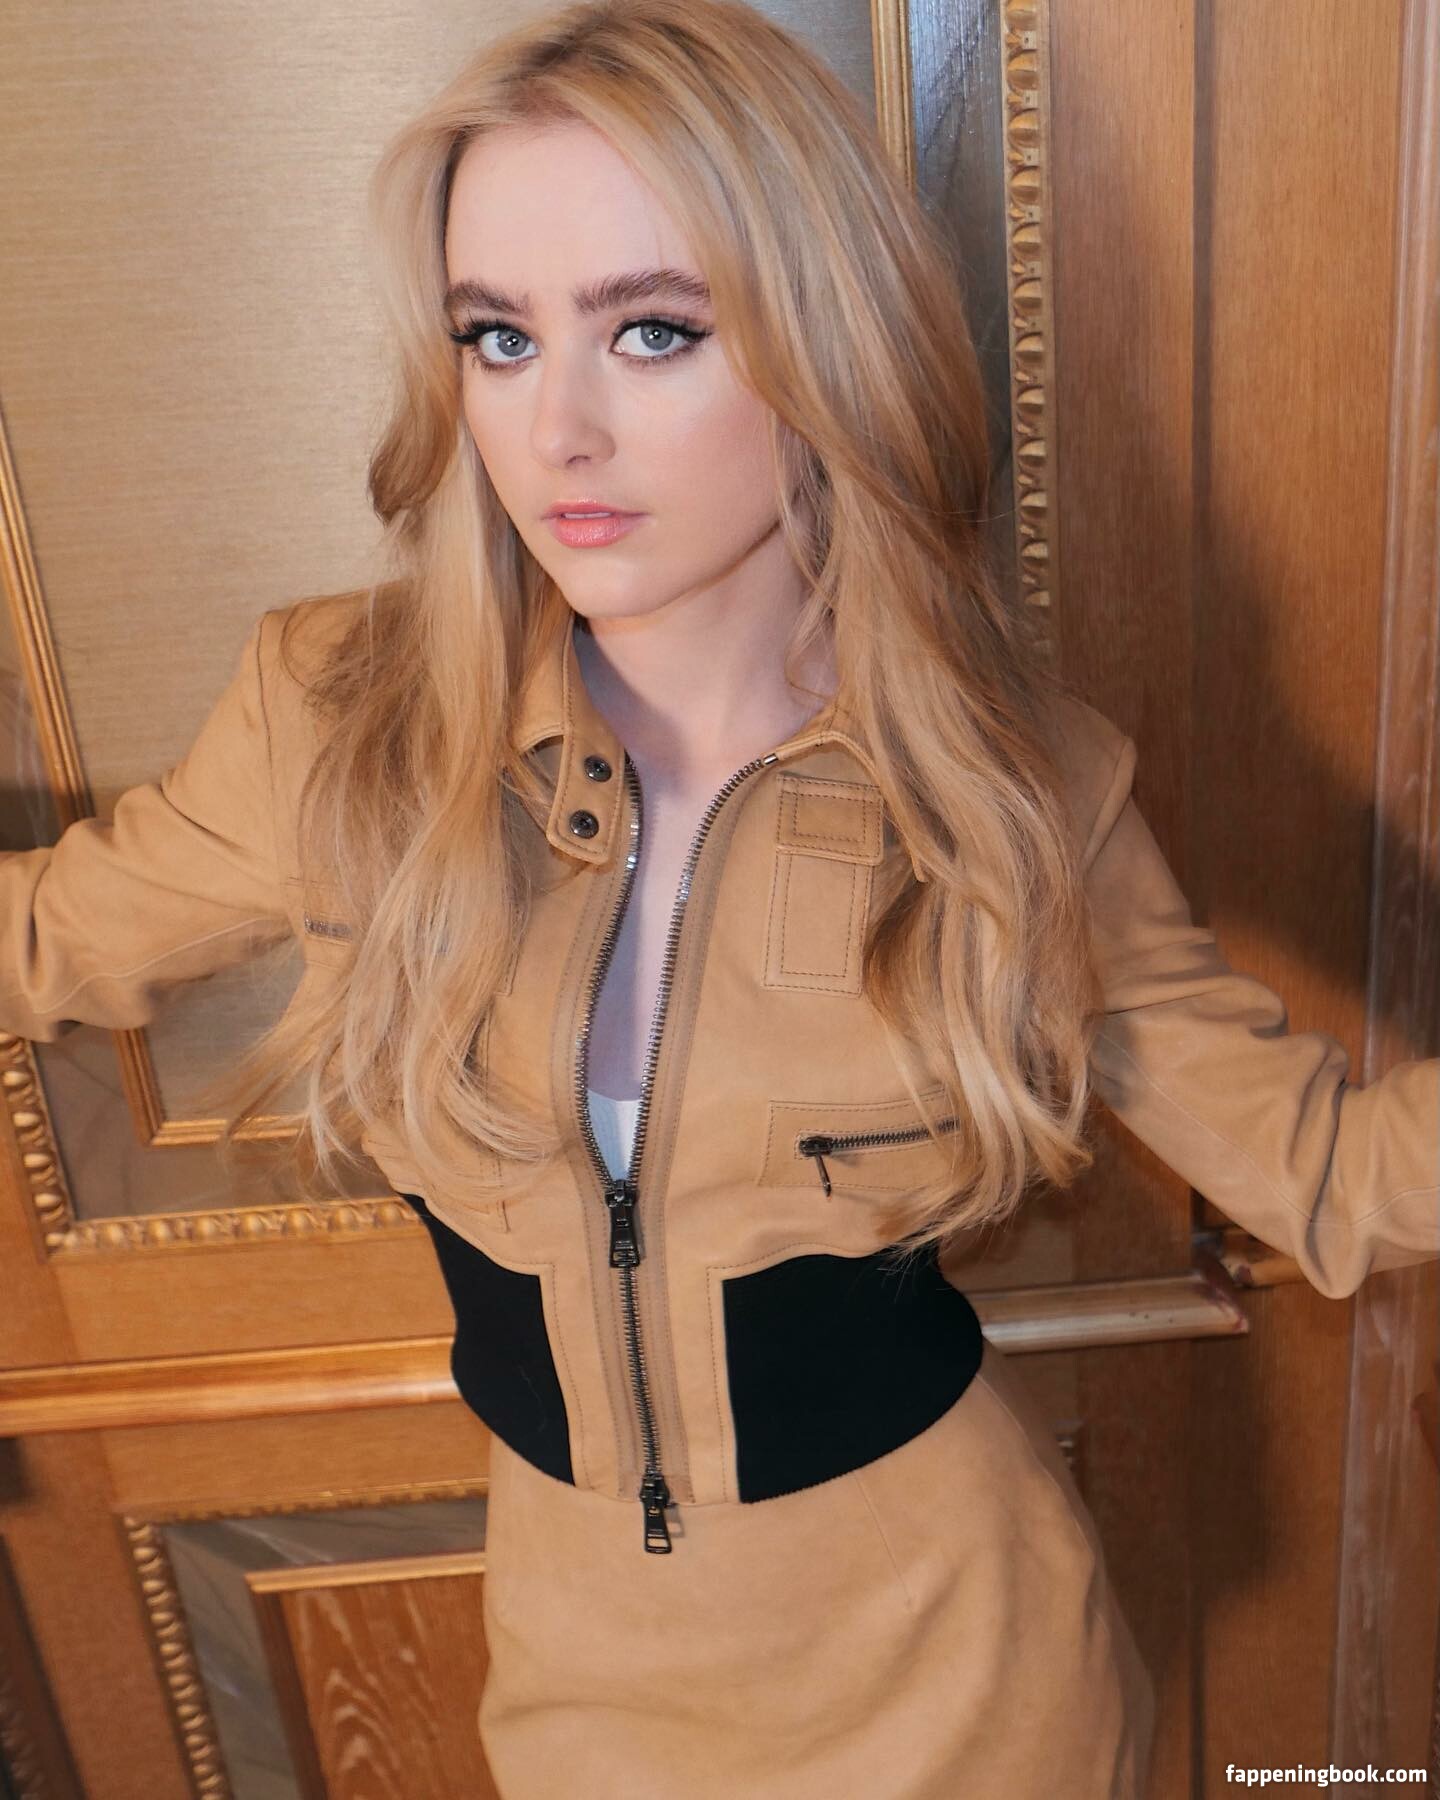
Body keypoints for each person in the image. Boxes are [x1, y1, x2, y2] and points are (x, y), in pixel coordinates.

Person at [1, 1, 1436, 1792]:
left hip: (967, 1682)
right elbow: (42, 939)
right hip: (584, 1683)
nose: (557, 430)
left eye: (654, 331)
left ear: (827, 348)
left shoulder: (1014, 793)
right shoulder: (340, 728)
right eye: (499, 337)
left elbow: (1329, 1179)